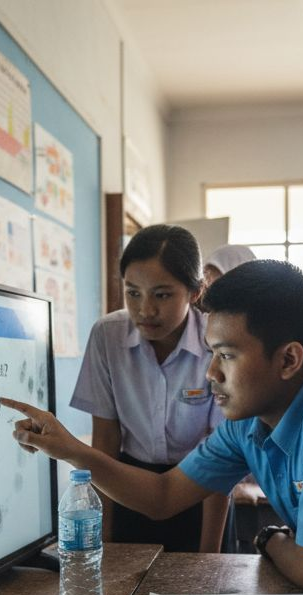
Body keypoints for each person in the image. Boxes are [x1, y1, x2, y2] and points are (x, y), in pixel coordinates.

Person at [5, 259, 303, 591]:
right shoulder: (248, 423)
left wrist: (269, 540)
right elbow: (164, 495)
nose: (210, 374)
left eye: (226, 355)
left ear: (289, 360)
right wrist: (70, 450)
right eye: (209, 353)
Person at [69, 224, 228, 552]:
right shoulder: (107, 336)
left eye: (162, 294)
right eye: (133, 292)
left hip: (203, 489)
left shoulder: (218, 343)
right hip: (129, 486)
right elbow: (106, 440)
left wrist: (209, 553)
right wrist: (105, 537)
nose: (145, 310)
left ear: (195, 292)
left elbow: (222, 455)